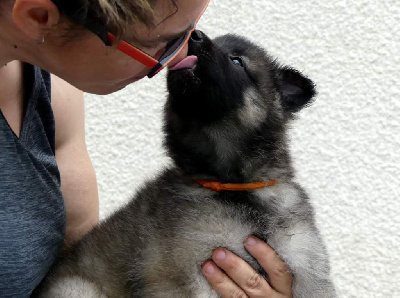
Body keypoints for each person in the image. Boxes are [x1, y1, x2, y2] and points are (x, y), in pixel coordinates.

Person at [0, 0, 293, 296]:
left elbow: (80, 262)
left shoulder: (53, 98)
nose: (180, 55)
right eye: (160, 43)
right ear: (38, 17)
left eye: (187, 33)